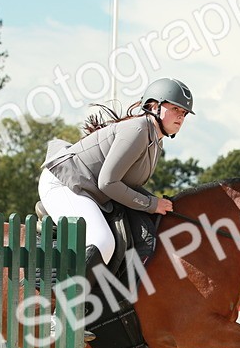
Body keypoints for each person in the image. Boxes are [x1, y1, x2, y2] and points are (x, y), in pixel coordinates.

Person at [38, 77, 192, 275]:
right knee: (102, 241)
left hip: (88, 190)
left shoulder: (155, 141)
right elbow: (108, 183)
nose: (181, 116)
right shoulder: (138, 130)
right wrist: (151, 204)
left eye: (184, 113)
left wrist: (154, 203)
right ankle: (67, 302)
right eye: (175, 109)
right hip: (65, 183)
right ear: (154, 106)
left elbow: (127, 183)